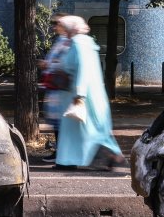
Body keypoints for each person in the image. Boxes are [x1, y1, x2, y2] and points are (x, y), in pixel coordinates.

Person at [53, 15, 125, 170]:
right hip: (89, 94)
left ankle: (68, 160)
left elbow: (82, 70)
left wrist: (80, 94)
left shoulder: (78, 44)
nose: (62, 30)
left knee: (81, 129)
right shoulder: (85, 42)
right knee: (91, 129)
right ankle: (110, 156)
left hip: (79, 95)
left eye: (64, 27)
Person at [39, 16, 71, 163]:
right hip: (55, 86)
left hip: (60, 88)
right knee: (56, 120)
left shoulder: (67, 42)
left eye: (57, 23)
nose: (54, 26)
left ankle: (61, 153)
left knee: (59, 121)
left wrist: (49, 65)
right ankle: (59, 151)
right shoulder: (60, 41)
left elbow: (63, 63)